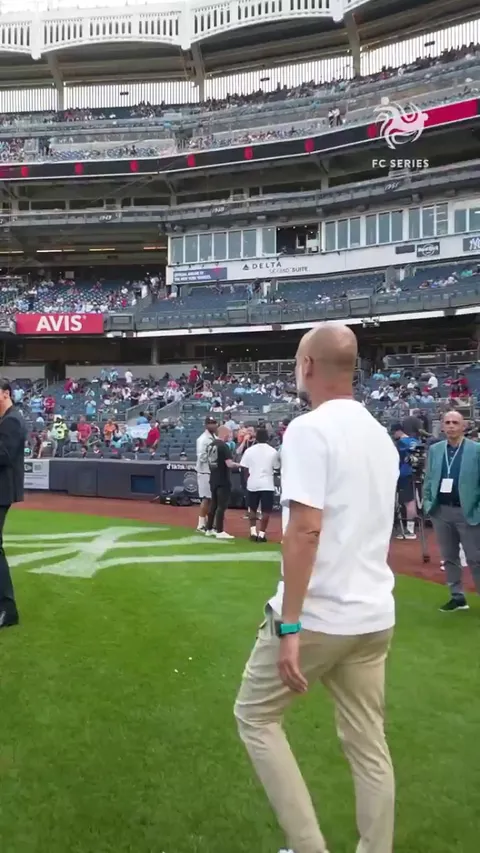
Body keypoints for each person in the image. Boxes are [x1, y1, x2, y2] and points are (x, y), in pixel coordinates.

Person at [234, 324, 398, 853]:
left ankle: (308, 847)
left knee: (255, 717)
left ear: (307, 365)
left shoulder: (309, 429)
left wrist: (290, 625)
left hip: (321, 614)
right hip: (373, 616)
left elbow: (305, 530)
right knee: (368, 743)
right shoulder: (380, 435)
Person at [423, 410, 480, 612]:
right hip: (441, 511)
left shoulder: (476, 450)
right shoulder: (436, 449)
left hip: (468, 511)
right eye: (447, 422)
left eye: (455, 422)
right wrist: (428, 502)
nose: (451, 426)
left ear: (463, 426)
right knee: (449, 557)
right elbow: (429, 478)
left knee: (475, 558)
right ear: (442, 426)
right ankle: (457, 597)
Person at [0, 379, 27, 628]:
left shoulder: (12, 420)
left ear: (5, 394)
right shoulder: (6, 419)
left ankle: (8, 609)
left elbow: (4, 455)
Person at [240, 427, 280, 542]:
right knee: (266, 510)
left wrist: (247, 480)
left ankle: (253, 532)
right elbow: (276, 467)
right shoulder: (273, 451)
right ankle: (262, 534)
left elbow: (244, 468)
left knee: (252, 508)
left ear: (256, 438)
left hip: (253, 482)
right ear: (267, 438)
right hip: (267, 484)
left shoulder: (249, 450)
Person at [205, 425, 240, 540]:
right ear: (224, 434)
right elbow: (229, 464)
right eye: (229, 434)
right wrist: (240, 465)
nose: (230, 436)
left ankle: (209, 528)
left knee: (213, 505)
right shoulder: (223, 446)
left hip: (213, 478)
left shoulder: (211, 445)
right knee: (221, 506)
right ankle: (219, 530)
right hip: (223, 479)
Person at [391, 422, 419, 539]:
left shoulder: (400, 443)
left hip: (403, 474)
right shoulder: (414, 441)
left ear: (398, 431)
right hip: (414, 473)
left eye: (394, 433)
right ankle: (410, 528)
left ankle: (409, 531)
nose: (393, 435)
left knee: (408, 502)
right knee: (412, 500)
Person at [195, 416, 217, 532]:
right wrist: (213, 458)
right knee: (206, 498)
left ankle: (210, 523)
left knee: (213, 499)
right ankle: (201, 524)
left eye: (214, 423)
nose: (213, 425)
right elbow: (202, 457)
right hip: (204, 471)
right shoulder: (202, 439)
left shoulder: (215, 437)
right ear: (206, 425)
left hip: (213, 472)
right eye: (210, 423)